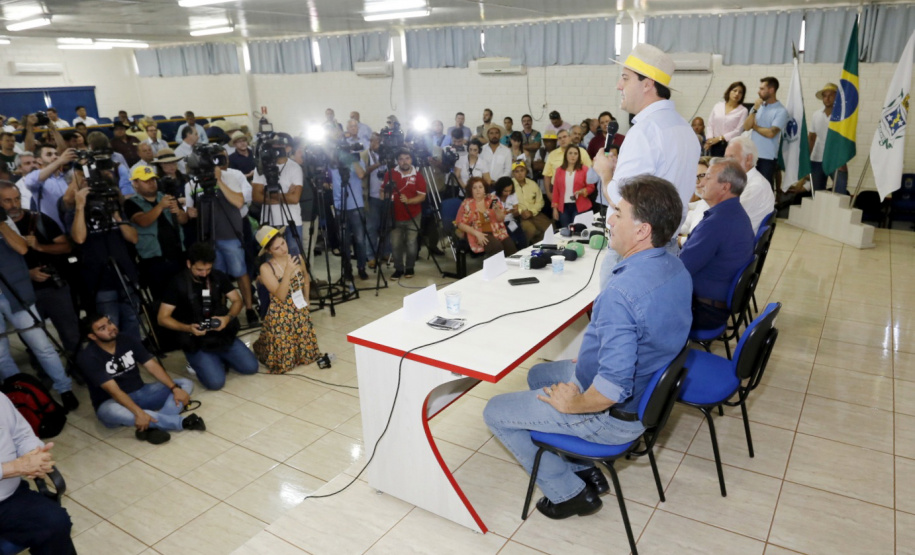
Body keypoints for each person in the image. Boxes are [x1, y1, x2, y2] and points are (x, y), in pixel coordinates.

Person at [483, 175, 692, 520]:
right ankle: (583, 468)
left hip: (610, 416)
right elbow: (648, 336)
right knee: (539, 374)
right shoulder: (676, 266)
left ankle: (570, 493)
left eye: (619, 214)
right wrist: (599, 353)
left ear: (642, 230)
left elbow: (611, 389)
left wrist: (575, 404)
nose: (610, 221)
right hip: (643, 395)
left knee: (494, 411)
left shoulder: (620, 294)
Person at [592, 42, 700, 288]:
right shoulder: (684, 129)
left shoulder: (645, 131)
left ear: (647, 84)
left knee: (616, 312)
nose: (619, 85)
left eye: (625, 78)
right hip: (666, 247)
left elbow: (621, 199)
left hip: (634, 252)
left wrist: (606, 174)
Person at [78, 313, 204, 444]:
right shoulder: (88, 357)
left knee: (184, 384)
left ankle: (151, 426)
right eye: (102, 328)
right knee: (112, 411)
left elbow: (151, 365)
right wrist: (138, 413)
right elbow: (114, 391)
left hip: (141, 392)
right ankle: (182, 422)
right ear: (92, 336)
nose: (111, 328)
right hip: (112, 402)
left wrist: (174, 388)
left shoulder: (126, 338)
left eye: (109, 323)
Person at [0, 209, 78, 410]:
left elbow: (22, 248)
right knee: (1, 354)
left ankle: (64, 388)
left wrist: (1, 223)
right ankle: (19, 393)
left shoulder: (4, 220)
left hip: (14, 293)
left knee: (41, 345)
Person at [158, 242, 258, 390]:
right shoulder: (177, 283)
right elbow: (162, 318)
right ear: (189, 264)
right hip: (195, 340)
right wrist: (188, 328)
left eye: (208, 269)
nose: (204, 274)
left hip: (222, 334)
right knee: (216, 383)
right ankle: (198, 361)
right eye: (199, 270)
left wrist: (227, 318)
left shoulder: (217, 277)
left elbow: (237, 300)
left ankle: (218, 359)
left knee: (251, 367)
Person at [1, 182, 80, 363]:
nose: (14, 204)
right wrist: (27, 274)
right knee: (34, 342)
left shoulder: (37, 219)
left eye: (17, 199)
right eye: (7, 201)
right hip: (20, 293)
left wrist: (40, 247)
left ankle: (80, 367)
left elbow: (66, 246)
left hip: (52, 287)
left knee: (71, 333)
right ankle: (44, 373)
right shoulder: (3, 226)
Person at [679, 158, 754, 330]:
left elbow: (682, 269)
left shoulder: (718, 222)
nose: (701, 183)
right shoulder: (734, 213)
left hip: (703, 310)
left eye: (708, 177)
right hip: (713, 303)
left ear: (725, 187)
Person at [70, 171, 143, 339]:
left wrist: (116, 214)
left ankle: (135, 350)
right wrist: (80, 207)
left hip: (125, 275)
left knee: (132, 320)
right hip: (100, 280)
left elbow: (133, 238)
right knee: (109, 326)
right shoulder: (76, 213)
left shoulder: (114, 210)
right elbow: (79, 238)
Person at [0, 393, 75, 554]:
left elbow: (22, 435)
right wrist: (12, 468)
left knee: (55, 522)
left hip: (8, 497)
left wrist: (34, 454)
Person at [185, 163, 258, 325]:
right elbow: (190, 212)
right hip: (207, 238)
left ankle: (249, 308)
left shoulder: (231, 176)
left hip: (230, 234)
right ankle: (222, 311)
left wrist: (218, 180)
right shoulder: (191, 185)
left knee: (240, 272)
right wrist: (190, 212)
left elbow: (239, 202)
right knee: (216, 276)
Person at [253, 227, 321, 373]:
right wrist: (288, 272)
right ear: (269, 251)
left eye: (283, 243)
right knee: (285, 363)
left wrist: (306, 298)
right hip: (281, 313)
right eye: (277, 248)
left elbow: (306, 277)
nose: (283, 249)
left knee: (309, 355)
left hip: (299, 307)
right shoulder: (266, 268)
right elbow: (281, 296)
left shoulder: (297, 258)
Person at [125, 166, 187, 297]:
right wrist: (160, 206)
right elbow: (143, 221)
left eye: (153, 180)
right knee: (161, 296)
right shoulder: (131, 203)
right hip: (153, 259)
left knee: (184, 293)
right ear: (135, 184)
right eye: (145, 181)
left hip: (177, 254)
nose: (151, 183)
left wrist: (178, 212)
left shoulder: (167, 197)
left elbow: (184, 220)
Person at [252, 135, 306, 257]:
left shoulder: (294, 167)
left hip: (292, 220)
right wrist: (285, 196)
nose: (277, 151)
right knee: (271, 258)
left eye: (280, 147)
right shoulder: (260, 168)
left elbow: (295, 199)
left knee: (295, 257)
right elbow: (256, 197)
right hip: (269, 221)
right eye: (274, 148)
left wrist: (268, 194)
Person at [455, 177, 517, 257]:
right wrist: (477, 234)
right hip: (477, 232)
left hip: (497, 230)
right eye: (474, 188)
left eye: (480, 187)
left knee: (510, 247)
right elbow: (460, 223)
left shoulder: (491, 199)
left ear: (485, 189)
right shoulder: (467, 203)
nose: (478, 190)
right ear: (471, 190)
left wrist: (497, 210)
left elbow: (501, 219)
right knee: (497, 247)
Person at [743, 77, 788, 187]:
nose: (759, 91)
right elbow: (747, 127)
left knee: (764, 188)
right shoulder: (757, 107)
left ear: (771, 90)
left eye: (762, 89)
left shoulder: (781, 111)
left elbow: (771, 133)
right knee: (749, 186)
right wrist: (755, 109)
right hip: (752, 156)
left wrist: (755, 127)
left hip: (767, 157)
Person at [389, 150, 427, 279]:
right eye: (401, 159)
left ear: (411, 160)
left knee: (411, 243)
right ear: (397, 161)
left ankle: (410, 267)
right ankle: (398, 269)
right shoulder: (391, 173)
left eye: (407, 158)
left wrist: (409, 201)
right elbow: (382, 191)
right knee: (395, 244)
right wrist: (387, 197)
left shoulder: (418, 175)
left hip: (413, 215)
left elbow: (422, 196)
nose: (404, 161)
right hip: (394, 215)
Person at [725, 135, 775, 234]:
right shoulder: (739, 181)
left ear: (748, 159)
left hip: (737, 238)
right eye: (725, 158)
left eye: (731, 157)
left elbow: (728, 215)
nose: (726, 163)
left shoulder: (756, 186)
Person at [20, 143, 76, 231]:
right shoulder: (35, 176)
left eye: (56, 154)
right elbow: (30, 183)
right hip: (53, 231)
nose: (55, 157)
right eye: (49, 154)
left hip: (73, 227)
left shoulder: (66, 177)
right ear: (39, 160)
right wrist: (60, 161)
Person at [808, 82, 849, 194]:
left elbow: (846, 140)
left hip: (836, 160)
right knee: (817, 194)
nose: (827, 98)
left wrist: (843, 159)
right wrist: (806, 159)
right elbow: (811, 138)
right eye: (825, 96)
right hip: (817, 159)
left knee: (840, 192)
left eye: (831, 95)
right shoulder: (816, 115)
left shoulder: (843, 116)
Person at [543, 129, 592, 203]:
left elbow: (590, 172)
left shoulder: (582, 152)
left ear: (570, 137)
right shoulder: (552, 155)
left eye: (564, 137)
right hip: (558, 192)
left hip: (579, 191)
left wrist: (586, 190)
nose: (562, 140)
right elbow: (547, 176)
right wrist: (550, 196)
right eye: (560, 138)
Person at [551, 145, 596, 227]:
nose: (573, 156)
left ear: (578, 156)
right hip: (564, 207)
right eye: (570, 153)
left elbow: (591, 187)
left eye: (575, 153)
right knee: (566, 230)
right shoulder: (559, 170)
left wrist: (583, 191)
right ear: (566, 155)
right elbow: (556, 191)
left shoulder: (584, 169)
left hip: (579, 205)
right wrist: (554, 208)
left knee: (577, 229)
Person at [705, 81, 749, 158]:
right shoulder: (718, 106)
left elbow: (738, 130)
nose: (737, 94)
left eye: (740, 92)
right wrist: (710, 140)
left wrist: (720, 138)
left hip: (731, 145)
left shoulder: (743, 110)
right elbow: (710, 124)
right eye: (735, 91)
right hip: (715, 145)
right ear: (729, 91)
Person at [511, 161, 551, 243]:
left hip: (533, 213)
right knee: (530, 230)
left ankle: (539, 246)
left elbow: (540, 201)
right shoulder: (510, 185)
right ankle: (524, 247)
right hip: (518, 216)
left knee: (550, 227)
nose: (520, 174)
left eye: (522, 170)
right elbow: (507, 204)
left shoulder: (533, 184)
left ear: (526, 171)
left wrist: (532, 212)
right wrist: (520, 211)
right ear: (513, 174)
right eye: (517, 171)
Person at [678, 157, 711, 244]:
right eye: (693, 177)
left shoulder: (715, 205)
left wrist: (679, 240)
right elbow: (685, 225)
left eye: (702, 175)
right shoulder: (702, 203)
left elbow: (699, 241)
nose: (697, 182)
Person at [494, 176, 526, 248]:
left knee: (521, 237)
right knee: (511, 238)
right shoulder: (493, 197)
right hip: (499, 223)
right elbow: (491, 213)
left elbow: (516, 212)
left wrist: (515, 212)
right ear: (500, 189)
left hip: (511, 221)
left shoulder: (512, 195)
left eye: (510, 191)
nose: (508, 193)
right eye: (505, 191)